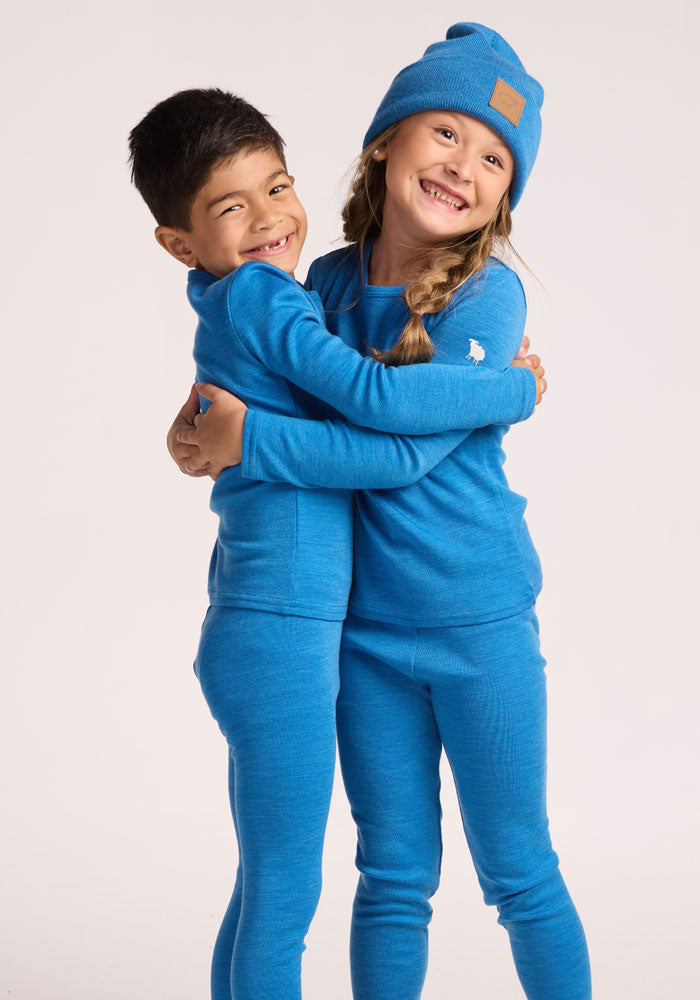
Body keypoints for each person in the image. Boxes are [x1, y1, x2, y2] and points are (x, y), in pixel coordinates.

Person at [170, 24, 592, 1000]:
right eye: (446, 132)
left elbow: (396, 444)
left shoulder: (487, 301)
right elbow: (259, 391)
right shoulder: (320, 285)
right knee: (393, 876)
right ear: (385, 143)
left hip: (479, 624)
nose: (465, 166)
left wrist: (505, 389)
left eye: (494, 159)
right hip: (361, 637)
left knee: (517, 872)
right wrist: (204, 422)